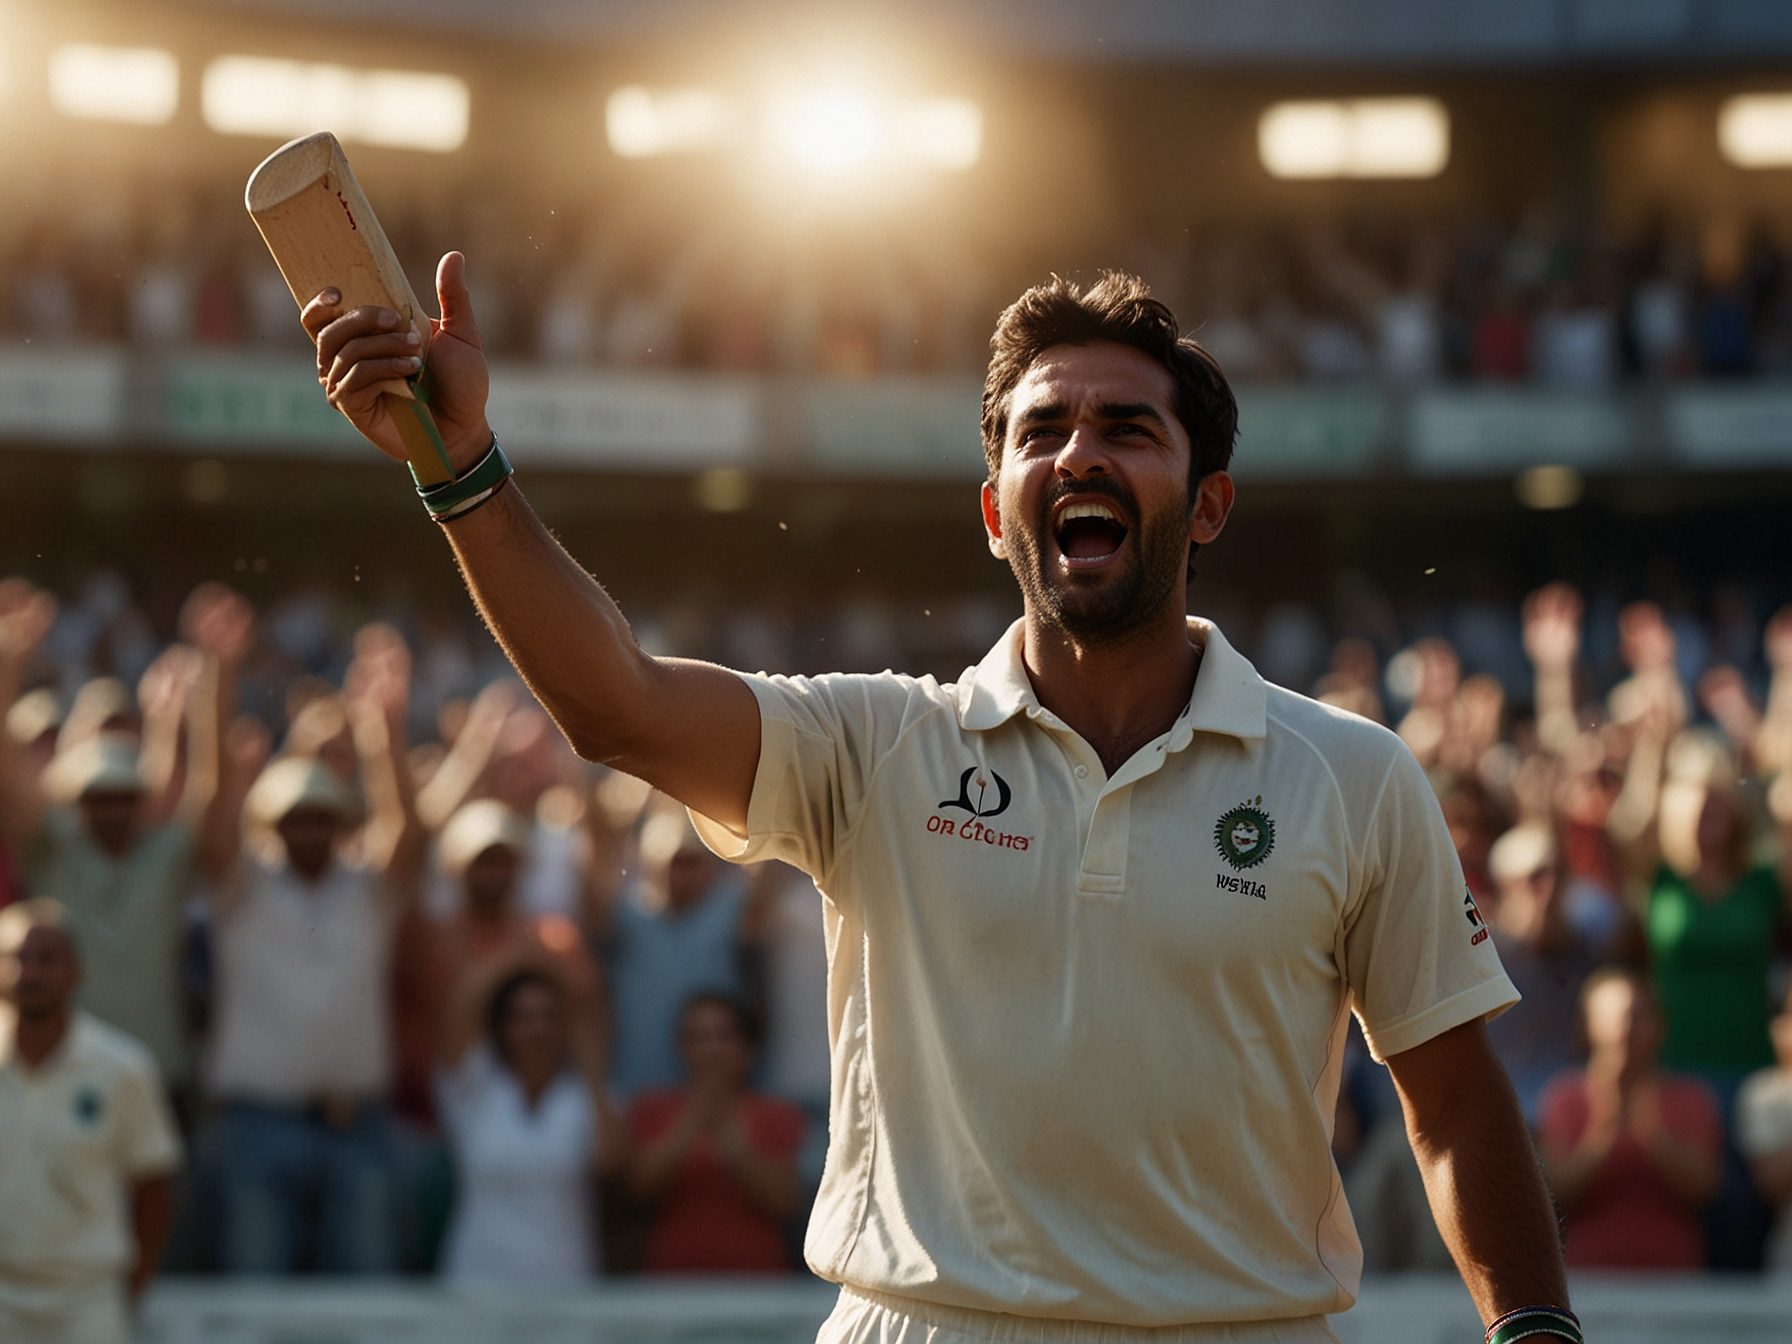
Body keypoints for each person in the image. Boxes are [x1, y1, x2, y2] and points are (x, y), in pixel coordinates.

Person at [309, 265, 1571, 1341]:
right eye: (1042, 430)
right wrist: (458, 462)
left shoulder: (1351, 776)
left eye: (1129, 429)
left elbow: (1453, 1101)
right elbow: (619, 707)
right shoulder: (876, 743)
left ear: (1211, 505)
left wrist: (1534, 1331)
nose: (1079, 449)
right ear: (992, 513)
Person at [203, 628, 425, 1275]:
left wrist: (386, 728)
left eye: (321, 815)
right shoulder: (241, 889)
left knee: (366, 1316)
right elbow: (213, 810)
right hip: (255, 1125)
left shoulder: (367, 889)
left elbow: (406, 830)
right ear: (272, 823)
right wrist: (218, 681)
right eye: (295, 816)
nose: (309, 827)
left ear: (340, 821)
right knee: (255, 1309)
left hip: (357, 1127)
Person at [0, 580, 248, 1094]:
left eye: (122, 795)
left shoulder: (168, 853)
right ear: (74, 800)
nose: (110, 808)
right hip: (61, 1076)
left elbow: (211, 796)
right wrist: (8, 663)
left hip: (157, 1076)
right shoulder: (51, 849)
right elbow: (12, 785)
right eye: (96, 797)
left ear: (142, 797)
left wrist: (217, 683)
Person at [0, 900, 181, 1344]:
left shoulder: (123, 1068)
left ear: (76, 971)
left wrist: (130, 1290)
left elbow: (155, 1188)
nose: (32, 973)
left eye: (47, 960)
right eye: (17, 959)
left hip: (87, 1302)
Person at [435, 941, 623, 1283]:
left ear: (566, 1026)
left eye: (549, 1016)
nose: (537, 1028)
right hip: (477, 1283)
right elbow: (462, 1003)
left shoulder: (587, 1096)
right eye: (522, 1016)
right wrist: (527, 953)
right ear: (502, 1027)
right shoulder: (476, 1087)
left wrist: (592, 1068)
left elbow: (608, 1162)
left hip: (567, 1288)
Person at [1538, 967, 1721, 1269]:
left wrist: (1655, 1137)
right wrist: (1602, 1136)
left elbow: (1705, 1190)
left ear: (1659, 1025)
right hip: (1587, 1278)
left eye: (1638, 1015)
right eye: (1616, 1016)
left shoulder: (1691, 1097)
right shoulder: (1565, 1098)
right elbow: (1555, 1193)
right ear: (1589, 1025)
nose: (1627, 1028)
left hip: (1673, 1276)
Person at [591, 800, 764, 1097]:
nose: (681, 874)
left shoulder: (731, 912)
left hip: (720, 1098)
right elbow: (598, 852)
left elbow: (762, 864)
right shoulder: (629, 915)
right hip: (639, 1092)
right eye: (673, 863)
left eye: (690, 862)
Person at [626, 992, 804, 1274]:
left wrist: (730, 1133)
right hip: (670, 1280)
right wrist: (693, 1118)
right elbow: (638, 1189)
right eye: (699, 1038)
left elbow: (786, 1202)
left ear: (748, 1048)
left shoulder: (777, 1113)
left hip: (758, 1281)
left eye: (724, 1036)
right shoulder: (652, 1109)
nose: (712, 1050)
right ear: (681, 1048)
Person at [1483, 824, 1600, 1127]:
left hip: (1569, 1119)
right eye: (1535, 877)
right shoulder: (1479, 961)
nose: (1547, 890)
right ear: (1506, 885)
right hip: (1498, 1116)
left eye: (1557, 875)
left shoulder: (1586, 960)